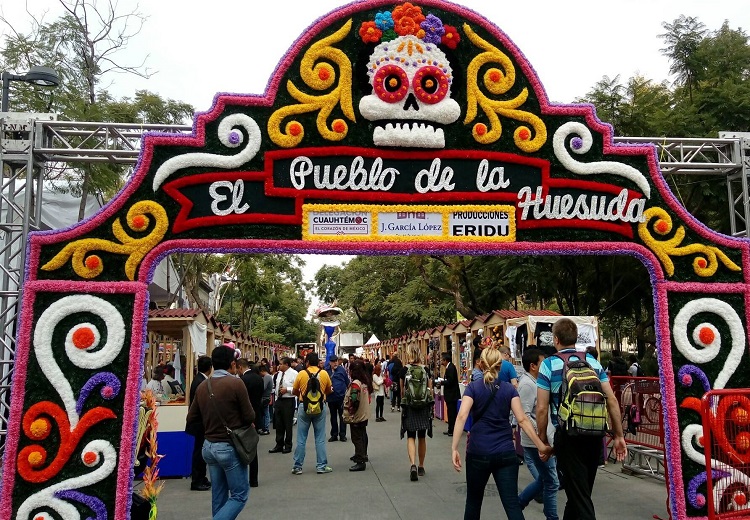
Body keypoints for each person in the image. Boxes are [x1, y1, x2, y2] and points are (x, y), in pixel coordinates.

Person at [536, 318, 627, 520]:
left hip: (569, 437)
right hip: (595, 435)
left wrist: (542, 439)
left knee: (580, 498)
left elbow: (541, 408)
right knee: (578, 493)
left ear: (556, 339)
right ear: (576, 338)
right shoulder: (592, 362)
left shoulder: (549, 365)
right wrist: (619, 435)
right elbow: (611, 399)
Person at [451, 347, 553, 520]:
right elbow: (522, 419)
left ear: (481, 364)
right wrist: (541, 445)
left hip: (478, 451)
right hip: (505, 452)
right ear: (501, 365)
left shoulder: (473, 388)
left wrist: (454, 448)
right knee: (512, 503)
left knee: (473, 502)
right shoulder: (509, 389)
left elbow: (462, 416)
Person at [186, 344, 255, 520]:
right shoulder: (236, 383)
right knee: (239, 495)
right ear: (232, 363)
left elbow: (191, 417)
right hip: (229, 446)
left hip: (208, 446)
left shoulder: (203, 386)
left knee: (219, 494)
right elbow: (249, 416)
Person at [517, 348, 559, 519]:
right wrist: (540, 434)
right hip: (535, 441)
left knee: (545, 479)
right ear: (533, 366)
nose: (546, 366)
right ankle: (551, 516)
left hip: (542, 438)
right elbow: (524, 416)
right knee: (552, 481)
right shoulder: (527, 385)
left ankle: (518, 503)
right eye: (542, 363)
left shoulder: (537, 382)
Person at [291, 352, 334, 475]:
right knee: (320, 438)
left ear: (307, 362)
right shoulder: (324, 373)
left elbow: (294, 390)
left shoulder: (302, 374)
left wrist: (303, 395)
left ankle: (297, 466)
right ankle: (321, 465)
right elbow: (329, 390)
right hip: (320, 407)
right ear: (318, 362)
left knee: (301, 438)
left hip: (303, 407)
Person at [400, 347, 433, 481]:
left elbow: (402, 390)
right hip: (424, 407)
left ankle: (412, 464)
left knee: (411, 435)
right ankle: (421, 466)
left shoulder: (404, 370)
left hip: (410, 407)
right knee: (422, 436)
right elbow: (429, 389)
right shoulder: (426, 370)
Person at [186, 355, 213, 491]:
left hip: (198, 421)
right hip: (199, 422)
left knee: (200, 451)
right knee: (199, 453)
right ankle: (197, 480)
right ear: (210, 367)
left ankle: (201, 477)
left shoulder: (199, 380)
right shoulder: (201, 382)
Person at [237, 358, 263, 488]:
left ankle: (241, 478)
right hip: (256, 414)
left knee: (240, 447)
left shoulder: (242, 381)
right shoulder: (259, 378)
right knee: (253, 448)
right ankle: (254, 479)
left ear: (240, 367)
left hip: (244, 417)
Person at [344, 360, 372, 471]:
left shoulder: (356, 383)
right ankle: (362, 454)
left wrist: (351, 411)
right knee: (363, 434)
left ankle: (360, 460)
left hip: (357, 414)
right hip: (364, 413)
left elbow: (354, 399)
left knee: (357, 437)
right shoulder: (365, 382)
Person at [269, 357, 298, 454]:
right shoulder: (278, 374)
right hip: (279, 400)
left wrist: (288, 389)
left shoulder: (294, 374)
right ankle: (279, 444)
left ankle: (288, 444)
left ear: (286, 364)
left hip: (288, 400)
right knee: (279, 423)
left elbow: (297, 388)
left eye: (281, 364)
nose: (279, 366)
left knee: (287, 423)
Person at [325, 355, 350, 441]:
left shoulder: (341, 370)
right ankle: (334, 434)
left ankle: (342, 434)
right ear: (330, 362)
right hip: (331, 397)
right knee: (333, 416)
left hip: (341, 397)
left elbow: (347, 382)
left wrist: (348, 394)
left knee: (342, 416)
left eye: (336, 361)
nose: (335, 363)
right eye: (333, 361)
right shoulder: (326, 371)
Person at [438, 351, 460, 436]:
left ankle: (452, 430)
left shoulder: (451, 368)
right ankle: (451, 429)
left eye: (442, 360)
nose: (441, 362)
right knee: (451, 412)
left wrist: (442, 382)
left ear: (445, 360)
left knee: (452, 413)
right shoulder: (449, 367)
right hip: (451, 394)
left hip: (452, 395)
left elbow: (450, 381)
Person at [258, 365, 272, 435]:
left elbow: (263, 387)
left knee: (266, 413)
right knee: (265, 412)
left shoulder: (267, 377)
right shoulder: (269, 376)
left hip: (265, 397)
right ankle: (265, 428)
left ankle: (266, 428)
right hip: (267, 397)